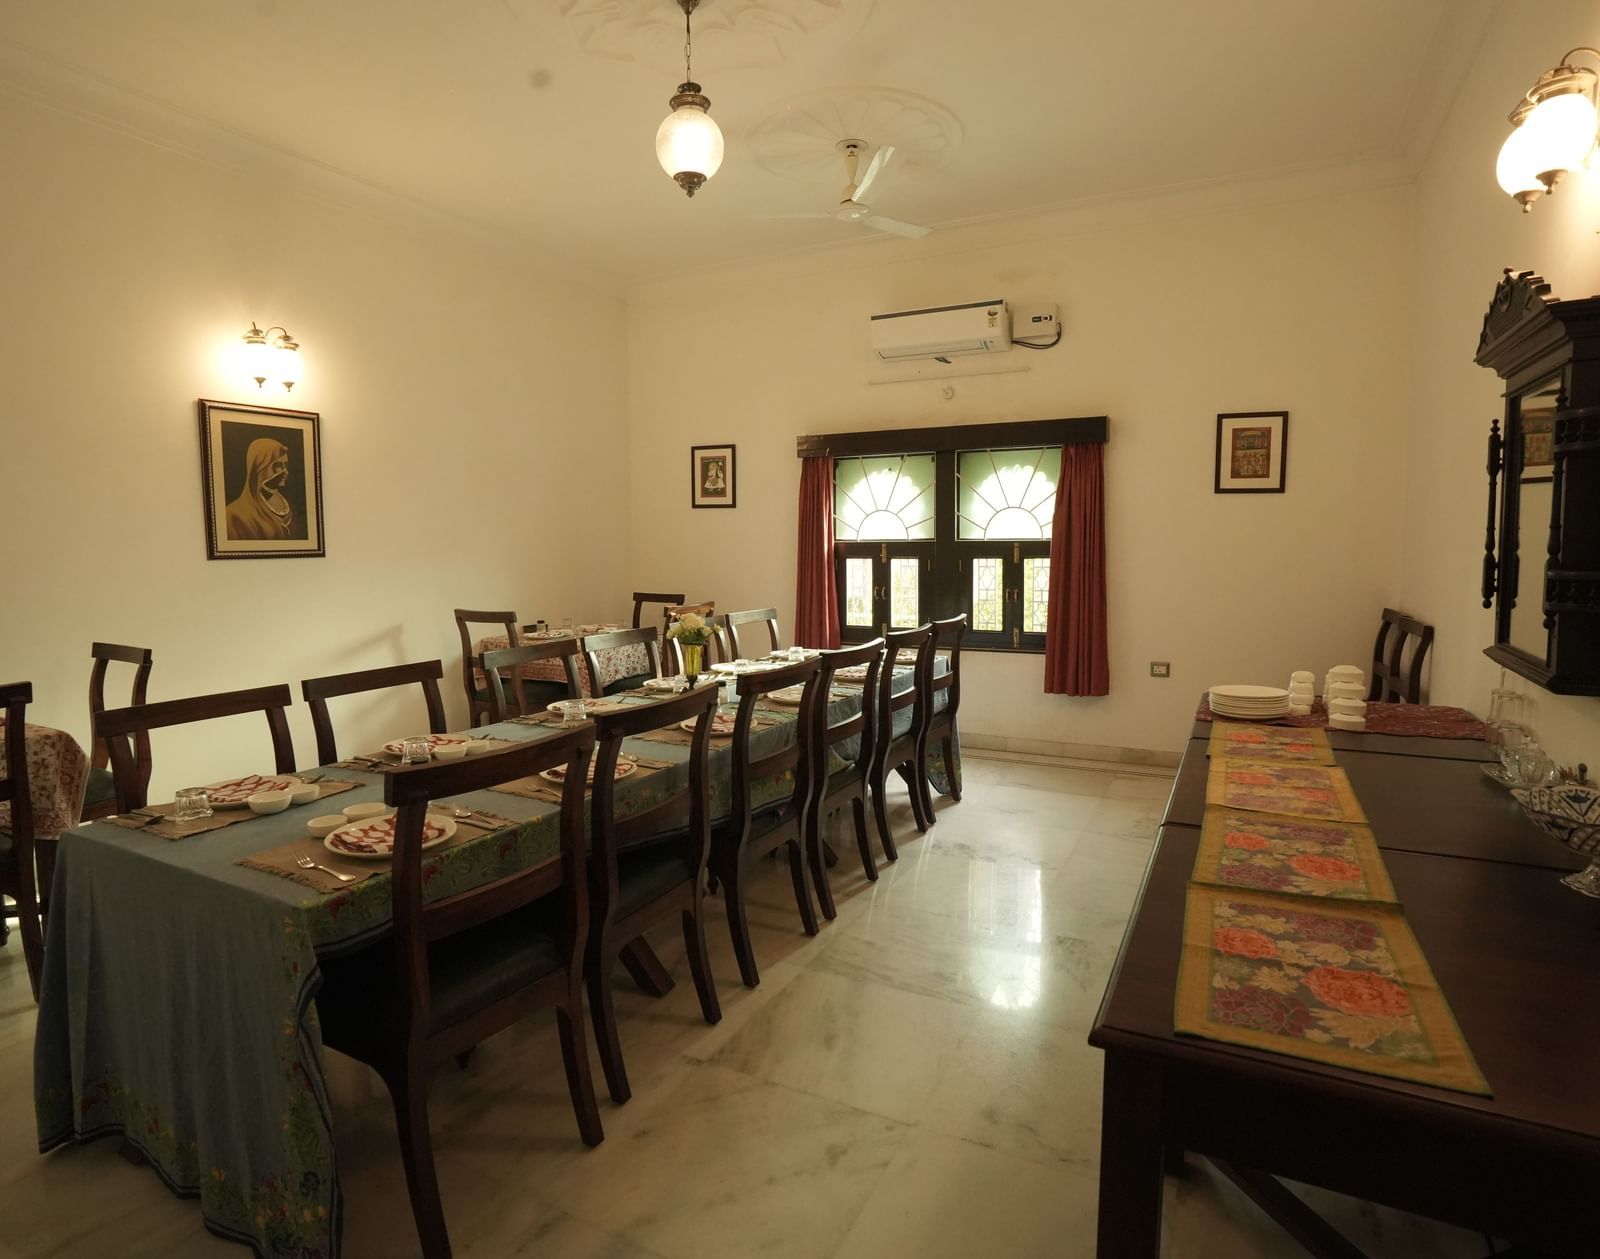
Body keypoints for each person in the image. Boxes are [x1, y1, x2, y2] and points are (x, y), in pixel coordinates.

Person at [225, 436, 297, 539]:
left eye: (286, 465)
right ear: (259, 467)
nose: (286, 472)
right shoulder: (233, 515)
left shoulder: (289, 506)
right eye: (278, 466)